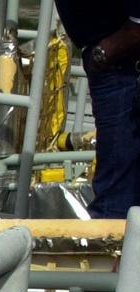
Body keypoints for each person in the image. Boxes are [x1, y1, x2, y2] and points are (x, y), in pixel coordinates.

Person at [53, 2, 140, 218]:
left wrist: (103, 53)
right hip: (117, 63)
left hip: (122, 65)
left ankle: (112, 244)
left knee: (118, 189)